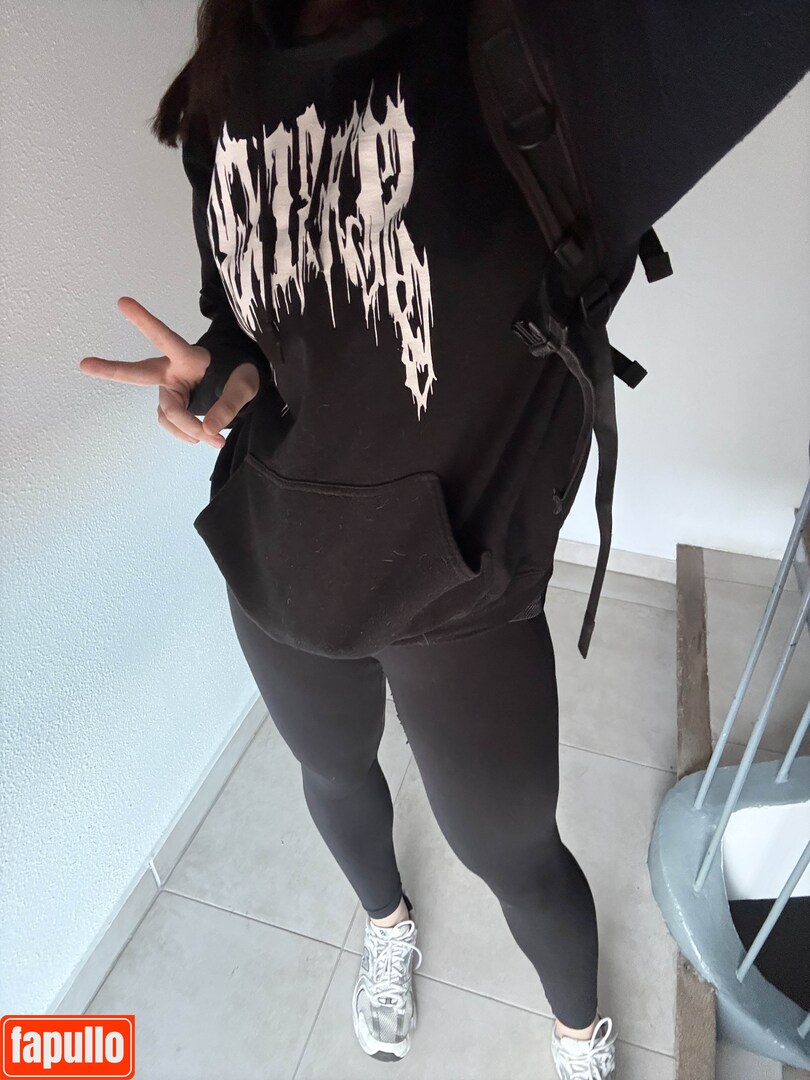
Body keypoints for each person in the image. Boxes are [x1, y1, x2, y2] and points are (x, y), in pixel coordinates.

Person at [80, 0, 619, 1074]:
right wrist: (225, 374)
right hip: (283, 546)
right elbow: (252, 323)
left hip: (458, 573)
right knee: (331, 773)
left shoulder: (525, 48)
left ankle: (578, 1034)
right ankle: (386, 926)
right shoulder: (228, 90)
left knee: (515, 853)